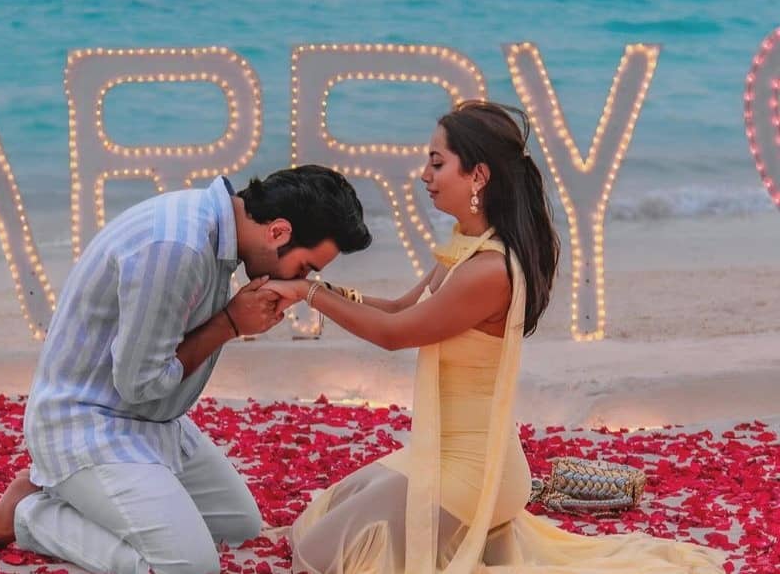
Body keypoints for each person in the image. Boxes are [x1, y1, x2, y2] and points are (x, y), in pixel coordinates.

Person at [261, 102, 725, 573]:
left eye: (437, 163)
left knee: (317, 559)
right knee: (313, 522)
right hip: (438, 456)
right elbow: (399, 309)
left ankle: (468, 528)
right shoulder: (465, 247)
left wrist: (308, 293)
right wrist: (314, 289)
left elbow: (395, 334)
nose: (424, 175)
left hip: (474, 472)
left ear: (478, 176)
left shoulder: (489, 270)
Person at [0, 165, 372, 574]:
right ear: (278, 231)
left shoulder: (215, 230)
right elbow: (139, 383)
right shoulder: (178, 248)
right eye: (304, 268)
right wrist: (230, 324)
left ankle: (65, 493)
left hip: (152, 423)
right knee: (188, 567)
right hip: (89, 424)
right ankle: (30, 515)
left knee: (237, 525)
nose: (300, 280)